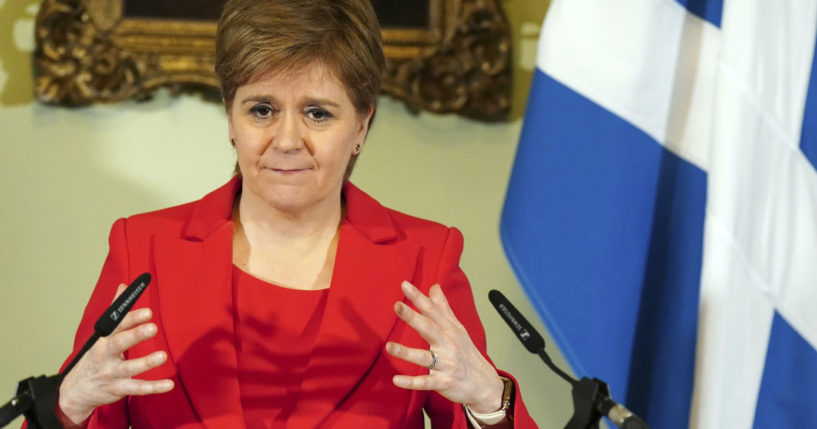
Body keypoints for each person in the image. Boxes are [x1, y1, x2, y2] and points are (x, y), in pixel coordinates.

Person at [50, 0, 538, 428]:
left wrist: (489, 403)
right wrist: (67, 404)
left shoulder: (425, 258)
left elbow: (481, 412)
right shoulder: (144, 248)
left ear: (362, 125)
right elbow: (84, 411)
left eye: (318, 113)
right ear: (230, 118)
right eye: (262, 109)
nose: (286, 141)